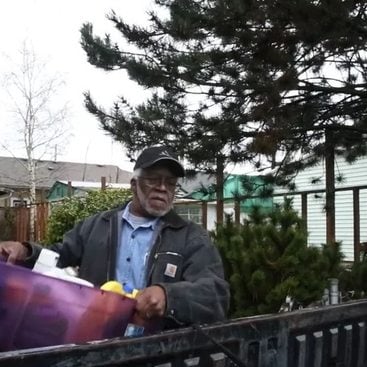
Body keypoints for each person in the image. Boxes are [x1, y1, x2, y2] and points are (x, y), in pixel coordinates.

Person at [0, 146, 229, 330]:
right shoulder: (96, 226)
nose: (162, 188)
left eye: (170, 183)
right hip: (96, 341)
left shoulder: (191, 237)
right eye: (153, 179)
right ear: (134, 184)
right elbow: (58, 257)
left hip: (159, 349)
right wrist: (26, 252)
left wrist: (168, 296)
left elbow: (215, 294)